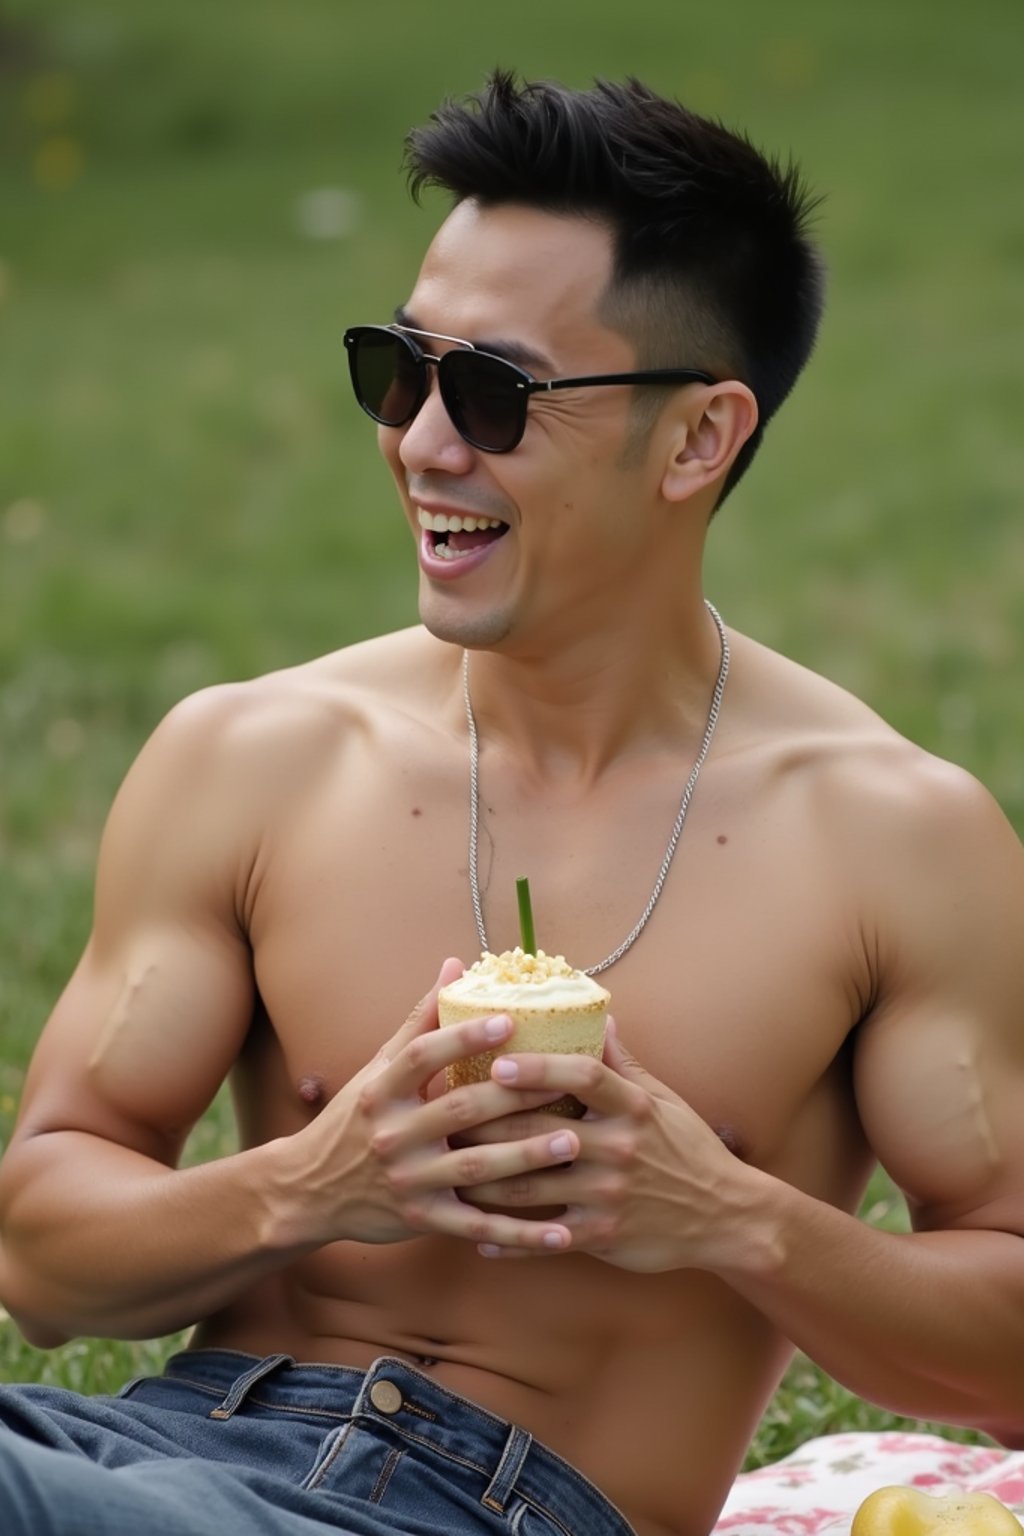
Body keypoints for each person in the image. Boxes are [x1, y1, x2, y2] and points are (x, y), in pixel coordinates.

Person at [1, 70, 1022, 1536]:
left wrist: (725, 1215)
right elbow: (40, 1262)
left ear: (696, 440)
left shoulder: (888, 841)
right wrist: (316, 1181)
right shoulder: (255, 755)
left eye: (491, 393)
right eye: (396, 372)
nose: (423, 442)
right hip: (139, 1456)